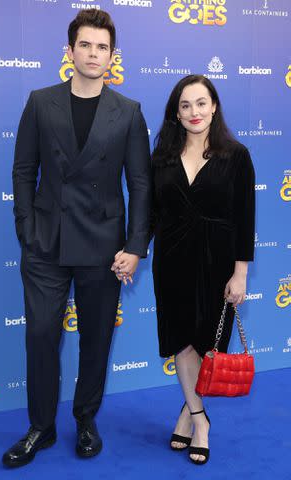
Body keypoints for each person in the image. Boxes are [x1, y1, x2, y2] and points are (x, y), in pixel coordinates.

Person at [2, 9, 151, 468]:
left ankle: (85, 419)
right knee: (42, 335)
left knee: (96, 338)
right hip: (46, 243)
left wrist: (134, 246)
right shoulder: (39, 101)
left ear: (111, 56)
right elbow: (24, 171)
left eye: (101, 47)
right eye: (84, 45)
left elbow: (141, 185)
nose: (92, 53)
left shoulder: (127, 112)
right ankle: (41, 428)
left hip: (104, 247)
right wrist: (27, 228)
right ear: (69, 52)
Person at [151, 75, 255, 465]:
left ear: (214, 107)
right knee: (181, 341)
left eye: (201, 103)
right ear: (176, 113)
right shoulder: (161, 156)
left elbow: (246, 218)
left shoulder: (236, 155)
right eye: (185, 105)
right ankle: (200, 420)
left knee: (207, 343)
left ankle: (187, 413)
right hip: (172, 260)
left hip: (217, 261)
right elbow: (151, 212)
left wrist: (240, 273)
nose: (194, 112)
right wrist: (132, 250)